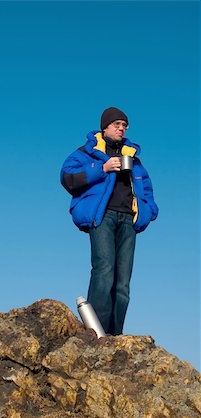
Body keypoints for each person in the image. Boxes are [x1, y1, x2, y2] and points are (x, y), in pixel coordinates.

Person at [60, 107, 158, 335]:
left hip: (128, 220)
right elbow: (67, 177)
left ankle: (114, 335)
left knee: (122, 284)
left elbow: (147, 187)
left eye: (124, 125)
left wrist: (149, 211)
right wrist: (102, 168)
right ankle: (94, 332)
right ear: (105, 127)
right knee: (104, 271)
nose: (121, 129)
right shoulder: (87, 152)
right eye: (117, 125)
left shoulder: (133, 158)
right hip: (103, 217)